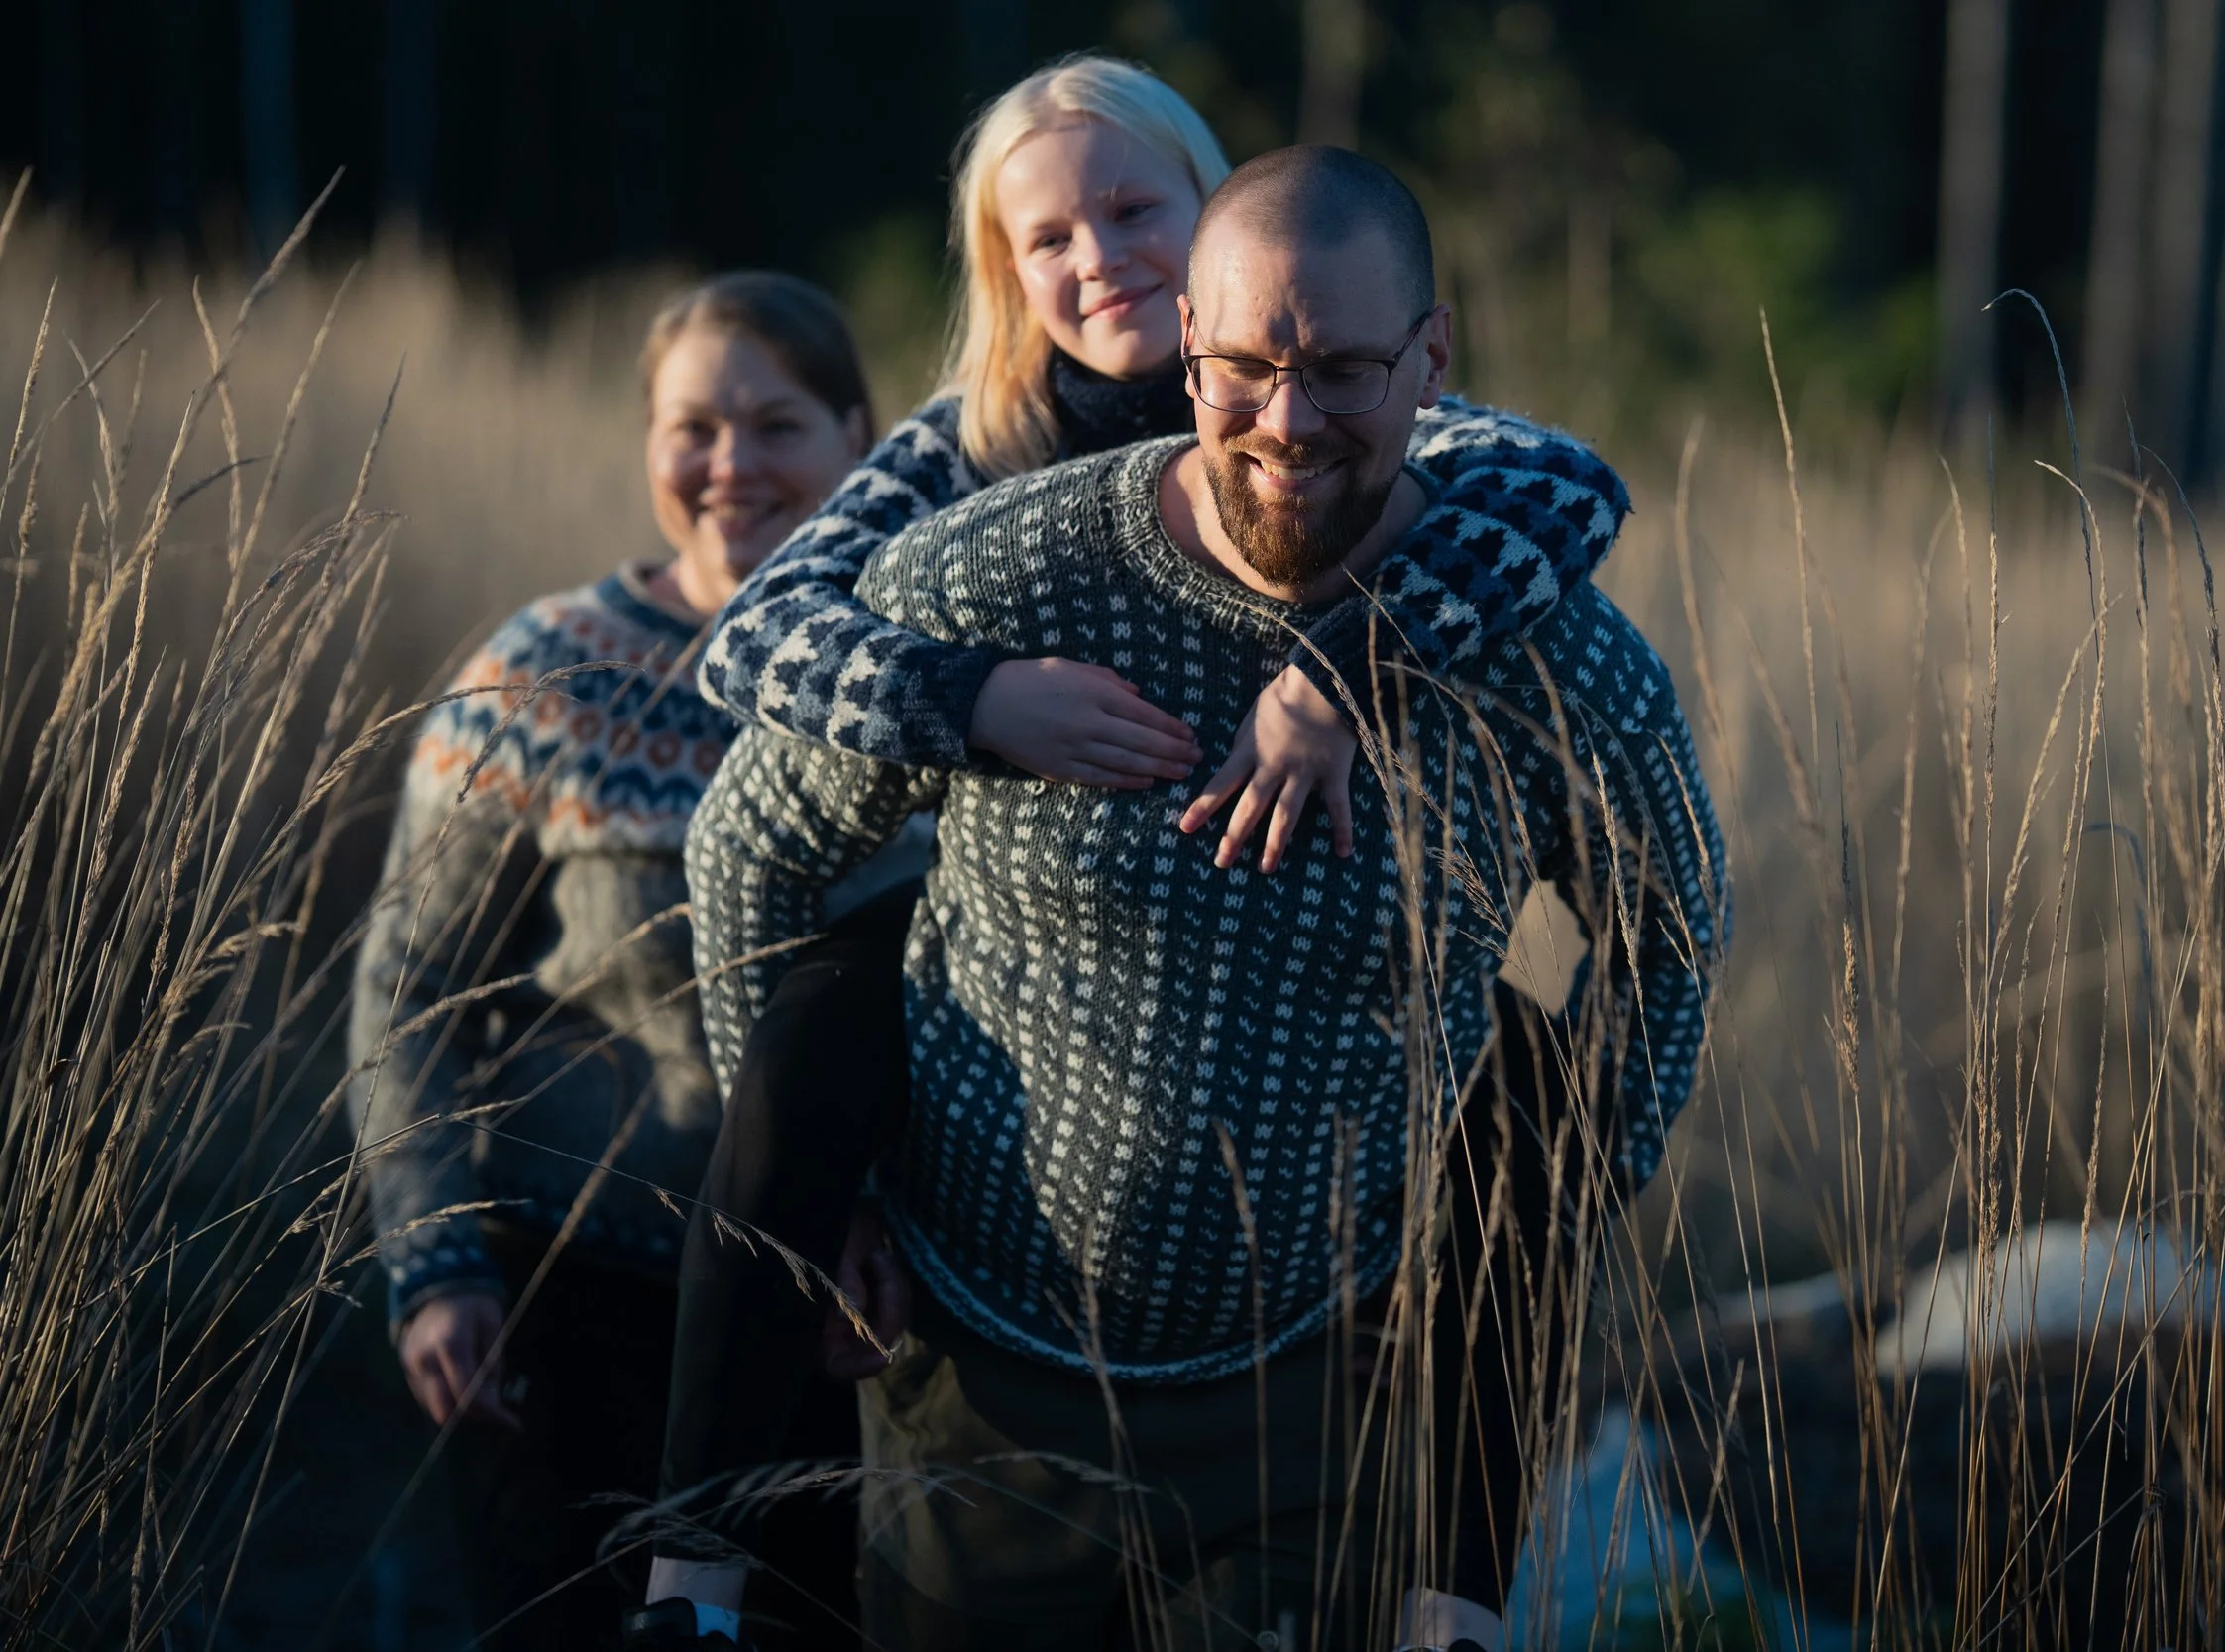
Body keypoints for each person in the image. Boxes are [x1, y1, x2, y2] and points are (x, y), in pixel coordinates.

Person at [643, 55, 1641, 1648]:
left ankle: (1462, 1584)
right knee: (831, 1004)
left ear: (1214, 213)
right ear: (1007, 276)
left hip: (1286, 1260)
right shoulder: (967, 464)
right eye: (1047, 238)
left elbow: (1566, 485)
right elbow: (760, 640)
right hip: (994, 1068)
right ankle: (689, 1574)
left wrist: (1347, 666)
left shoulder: (1362, 415)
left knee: (1524, 1061)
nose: (1095, 256)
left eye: (1131, 209)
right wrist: (977, 700)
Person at [347, 273, 897, 1650]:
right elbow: (408, 985)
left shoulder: (928, 680)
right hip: (563, 1302)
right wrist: (438, 1264)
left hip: (842, 1324)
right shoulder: (549, 674)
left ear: (857, 436)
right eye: (692, 427)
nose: (730, 466)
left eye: (775, 424)